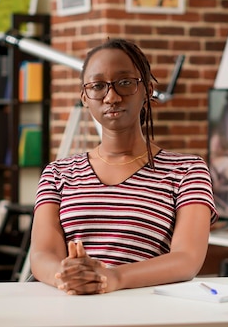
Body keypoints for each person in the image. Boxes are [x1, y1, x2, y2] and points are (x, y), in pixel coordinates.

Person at [30, 38, 218, 295]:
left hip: (146, 314)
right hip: (70, 310)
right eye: (98, 86)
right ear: (85, 97)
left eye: (125, 83)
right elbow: (42, 254)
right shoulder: (57, 173)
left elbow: (187, 259)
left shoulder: (187, 171)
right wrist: (68, 276)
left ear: (148, 90)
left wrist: (111, 277)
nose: (112, 96)